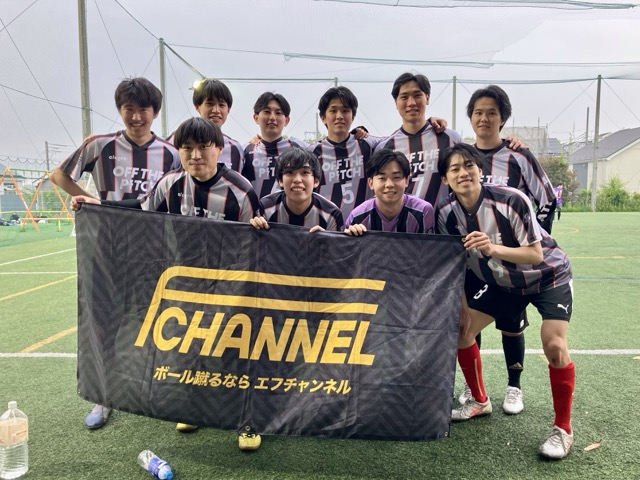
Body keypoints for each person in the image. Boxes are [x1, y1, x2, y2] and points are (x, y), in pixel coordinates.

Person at [71, 117, 262, 451]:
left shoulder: (241, 191)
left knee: (236, 353)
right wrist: (99, 205)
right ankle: (194, 409)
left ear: (219, 149)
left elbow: (258, 242)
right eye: (187, 148)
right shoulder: (169, 184)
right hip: (185, 284)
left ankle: (248, 420)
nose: (195, 155)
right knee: (191, 351)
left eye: (203, 147)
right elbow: (139, 211)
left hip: (231, 286)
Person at [50, 77, 180, 430]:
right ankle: (103, 396)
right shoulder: (100, 145)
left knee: (152, 317)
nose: (136, 117)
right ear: (120, 110)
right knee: (106, 318)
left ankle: (152, 386)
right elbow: (59, 175)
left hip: (152, 247)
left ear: (155, 112)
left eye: (143, 110)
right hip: (106, 244)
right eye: (128, 109)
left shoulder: (170, 153)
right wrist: (91, 200)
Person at [436, 143, 575, 460]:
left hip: (547, 276)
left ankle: (563, 429)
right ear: (445, 178)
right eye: (454, 168)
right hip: (503, 282)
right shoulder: (445, 213)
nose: (463, 173)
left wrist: (492, 249)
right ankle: (479, 400)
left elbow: (535, 254)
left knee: (554, 345)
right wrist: (461, 304)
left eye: (469, 165)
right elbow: (453, 263)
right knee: (462, 331)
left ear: (480, 170)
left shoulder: (511, 199)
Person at [456, 85, 558, 414]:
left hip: (511, 261)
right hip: (474, 258)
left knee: (511, 322)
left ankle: (514, 387)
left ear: (503, 118)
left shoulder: (518, 155)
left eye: (492, 113)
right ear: (470, 118)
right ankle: (474, 388)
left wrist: (530, 240)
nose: (484, 118)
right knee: (469, 319)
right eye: (478, 112)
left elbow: (546, 200)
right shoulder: (463, 158)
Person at [376, 72, 462, 208]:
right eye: (404, 97)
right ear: (396, 103)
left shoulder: (451, 139)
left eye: (417, 95)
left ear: (427, 98)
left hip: (441, 220)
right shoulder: (385, 147)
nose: (411, 103)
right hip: (401, 221)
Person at [343, 149, 434, 236]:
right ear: (371, 183)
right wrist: (351, 237)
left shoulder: (423, 212)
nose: (389, 185)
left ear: (406, 180)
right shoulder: (357, 217)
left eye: (396, 177)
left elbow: (430, 246)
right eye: (382, 178)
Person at [251, 148, 343, 232]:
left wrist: (326, 239)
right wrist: (255, 229)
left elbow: (336, 245)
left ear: (316, 181)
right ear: (280, 181)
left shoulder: (331, 214)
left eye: (305, 172)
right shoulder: (265, 208)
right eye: (290, 172)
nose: (297, 180)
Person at [167, 78, 244, 172]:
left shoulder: (235, 148)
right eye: (209, 104)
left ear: (228, 110)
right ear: (197, 107)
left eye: (221, 105)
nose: (216, 110)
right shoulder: (175, 141)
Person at [242, 92, 308, 198]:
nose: (272, 117)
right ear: (256, 117)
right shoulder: (244, 151)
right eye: (267, 112)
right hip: (253, 209)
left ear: (286, 120)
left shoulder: (301, 148)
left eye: (278, 113)